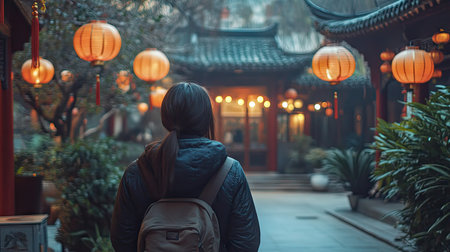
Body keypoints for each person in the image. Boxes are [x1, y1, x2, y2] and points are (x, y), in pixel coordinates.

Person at [111, 82, 260, 251]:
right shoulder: (230, 171)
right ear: (207, 118)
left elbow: (122, 239)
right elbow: (246, 241)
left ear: (165, 116)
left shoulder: (137, 171)